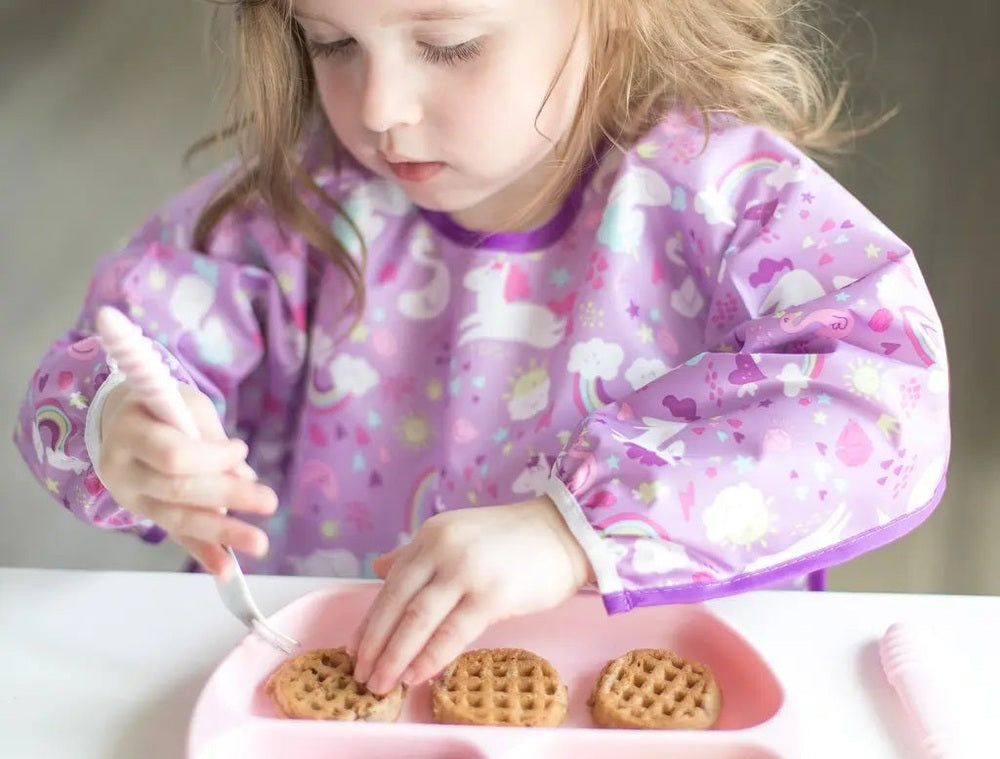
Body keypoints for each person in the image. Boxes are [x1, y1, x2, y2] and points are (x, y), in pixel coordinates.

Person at [14, 0, 950, 696]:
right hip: (334, 691)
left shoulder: (723, 200)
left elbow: (885, 396)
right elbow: (113, 354)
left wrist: (573, 532)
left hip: (631, 714)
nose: (380, 107)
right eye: (333, 43)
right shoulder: (301, 210)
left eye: (450, 45)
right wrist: (123, 429)